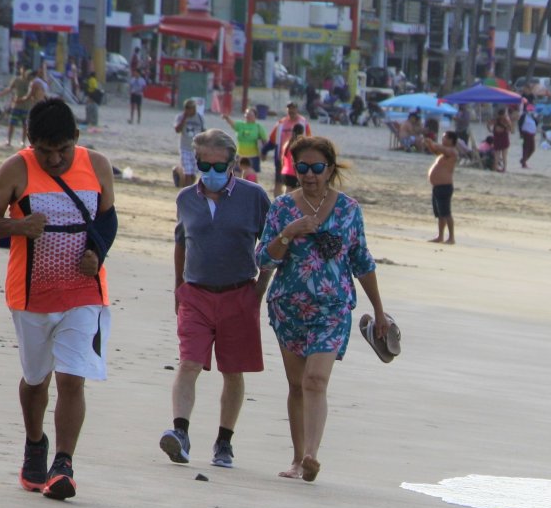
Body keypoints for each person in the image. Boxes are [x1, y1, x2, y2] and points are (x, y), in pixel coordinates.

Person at [0, 98, 117, 500]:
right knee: (37, 380)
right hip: (31, 294)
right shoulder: (16, 168)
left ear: (76, 138)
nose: (54, 159)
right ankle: (35, 442)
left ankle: (64, 465)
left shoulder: (98, 165)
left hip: (85, 292)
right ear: (30, 142)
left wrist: (96, 254)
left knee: (73, 377)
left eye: (63, 150)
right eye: (45, 151)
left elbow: (107, 219)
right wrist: (18, 225)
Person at [256, 136, 390, 482]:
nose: (309, 175)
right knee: (297, 385)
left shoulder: (348, 210)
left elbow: (362, 261)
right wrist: (288, 233)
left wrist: (378, 310)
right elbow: (264, 258)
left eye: (317, 168)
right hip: (288, 308)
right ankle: (298, 459)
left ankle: (312, 456)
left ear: (330, 169)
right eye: (302, 168)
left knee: (316, 379)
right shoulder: (283, 208)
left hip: (332, 309)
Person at [161, 128, 273, 469]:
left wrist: (259, 288)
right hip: (195, 293)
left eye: (218, 166)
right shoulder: (186, 199)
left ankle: (224, 442)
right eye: (203, 164)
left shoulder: (254, 197)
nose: (210, 172)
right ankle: (180, 433)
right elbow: (181, 243)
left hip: (239, 293)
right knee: (189, 363)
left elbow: (270, 246)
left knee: (232, 371)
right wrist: (179, 287)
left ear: (234, 163)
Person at [423, 131, 458, 244]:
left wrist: (433, 143)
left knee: (446, 213)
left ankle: (451, 237)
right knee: (440, 214)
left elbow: (442, 149)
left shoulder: (452, 151)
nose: (442, 140)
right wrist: (429, 144)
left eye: (444, 138)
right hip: (437, 187)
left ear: (451, 140)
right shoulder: (443, 154)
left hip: (445, 186)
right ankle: (440, 236)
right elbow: (435, 150)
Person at [269, 102, 310, 196]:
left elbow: (309, 138)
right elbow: (272, 139)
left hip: (287, 168)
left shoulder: (303, 122)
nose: (291, 110)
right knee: (283, 185)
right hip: (291, 167)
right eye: (289, 108)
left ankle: (282, 205)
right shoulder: (281, 123)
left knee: (288, 190)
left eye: (293, 108)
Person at [174, 99, 205, 187]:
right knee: (187, 172)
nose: (189, 110)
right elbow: (177, 130)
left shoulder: (199, 118)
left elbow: (203, 131)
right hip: (185, 148)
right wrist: (184, 118)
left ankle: (188, 187)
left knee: (193, 174)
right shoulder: (180, 117)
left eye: (191, 108)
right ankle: (187, 192)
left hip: (196, 150)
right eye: (187, 108)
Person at [223, 107, 266, 173]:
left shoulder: (258, 127)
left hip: (253, 157)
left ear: (255, 116)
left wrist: (264, 153)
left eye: (250, 114)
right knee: (236, 175)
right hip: (240, 155)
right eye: (246, 114)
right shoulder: (240, 125)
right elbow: (232, 124)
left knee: (250, 177)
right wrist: (227, 118)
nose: (247, 116)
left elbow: (264, 140)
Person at [0, 66, 31, 147]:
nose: (23, 71)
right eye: (22, 69)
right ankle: (8, 140)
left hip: (26, 106)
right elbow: (9, 88)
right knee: (12, 123)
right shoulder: (16, 80)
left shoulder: (30, 81)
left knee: (25, 125)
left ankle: (23, 141)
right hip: (16, 105)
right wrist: (1, 93)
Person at [280, 123, 306, 191]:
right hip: (295, 173)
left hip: (285, 172)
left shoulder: (287, 144)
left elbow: (282, 159)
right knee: (297, 195)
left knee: (287, 192)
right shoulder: (301, 145)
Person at [490, 108, 513, 173]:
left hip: (497, 138)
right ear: (504, 114)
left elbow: (488, 124)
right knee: (504, 155)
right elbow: (511, 130)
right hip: (504, 138)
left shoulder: (495, 120)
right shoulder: (506, 120)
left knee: (497, 154)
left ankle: (495, 167)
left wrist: (490, 130)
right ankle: (504, 168)